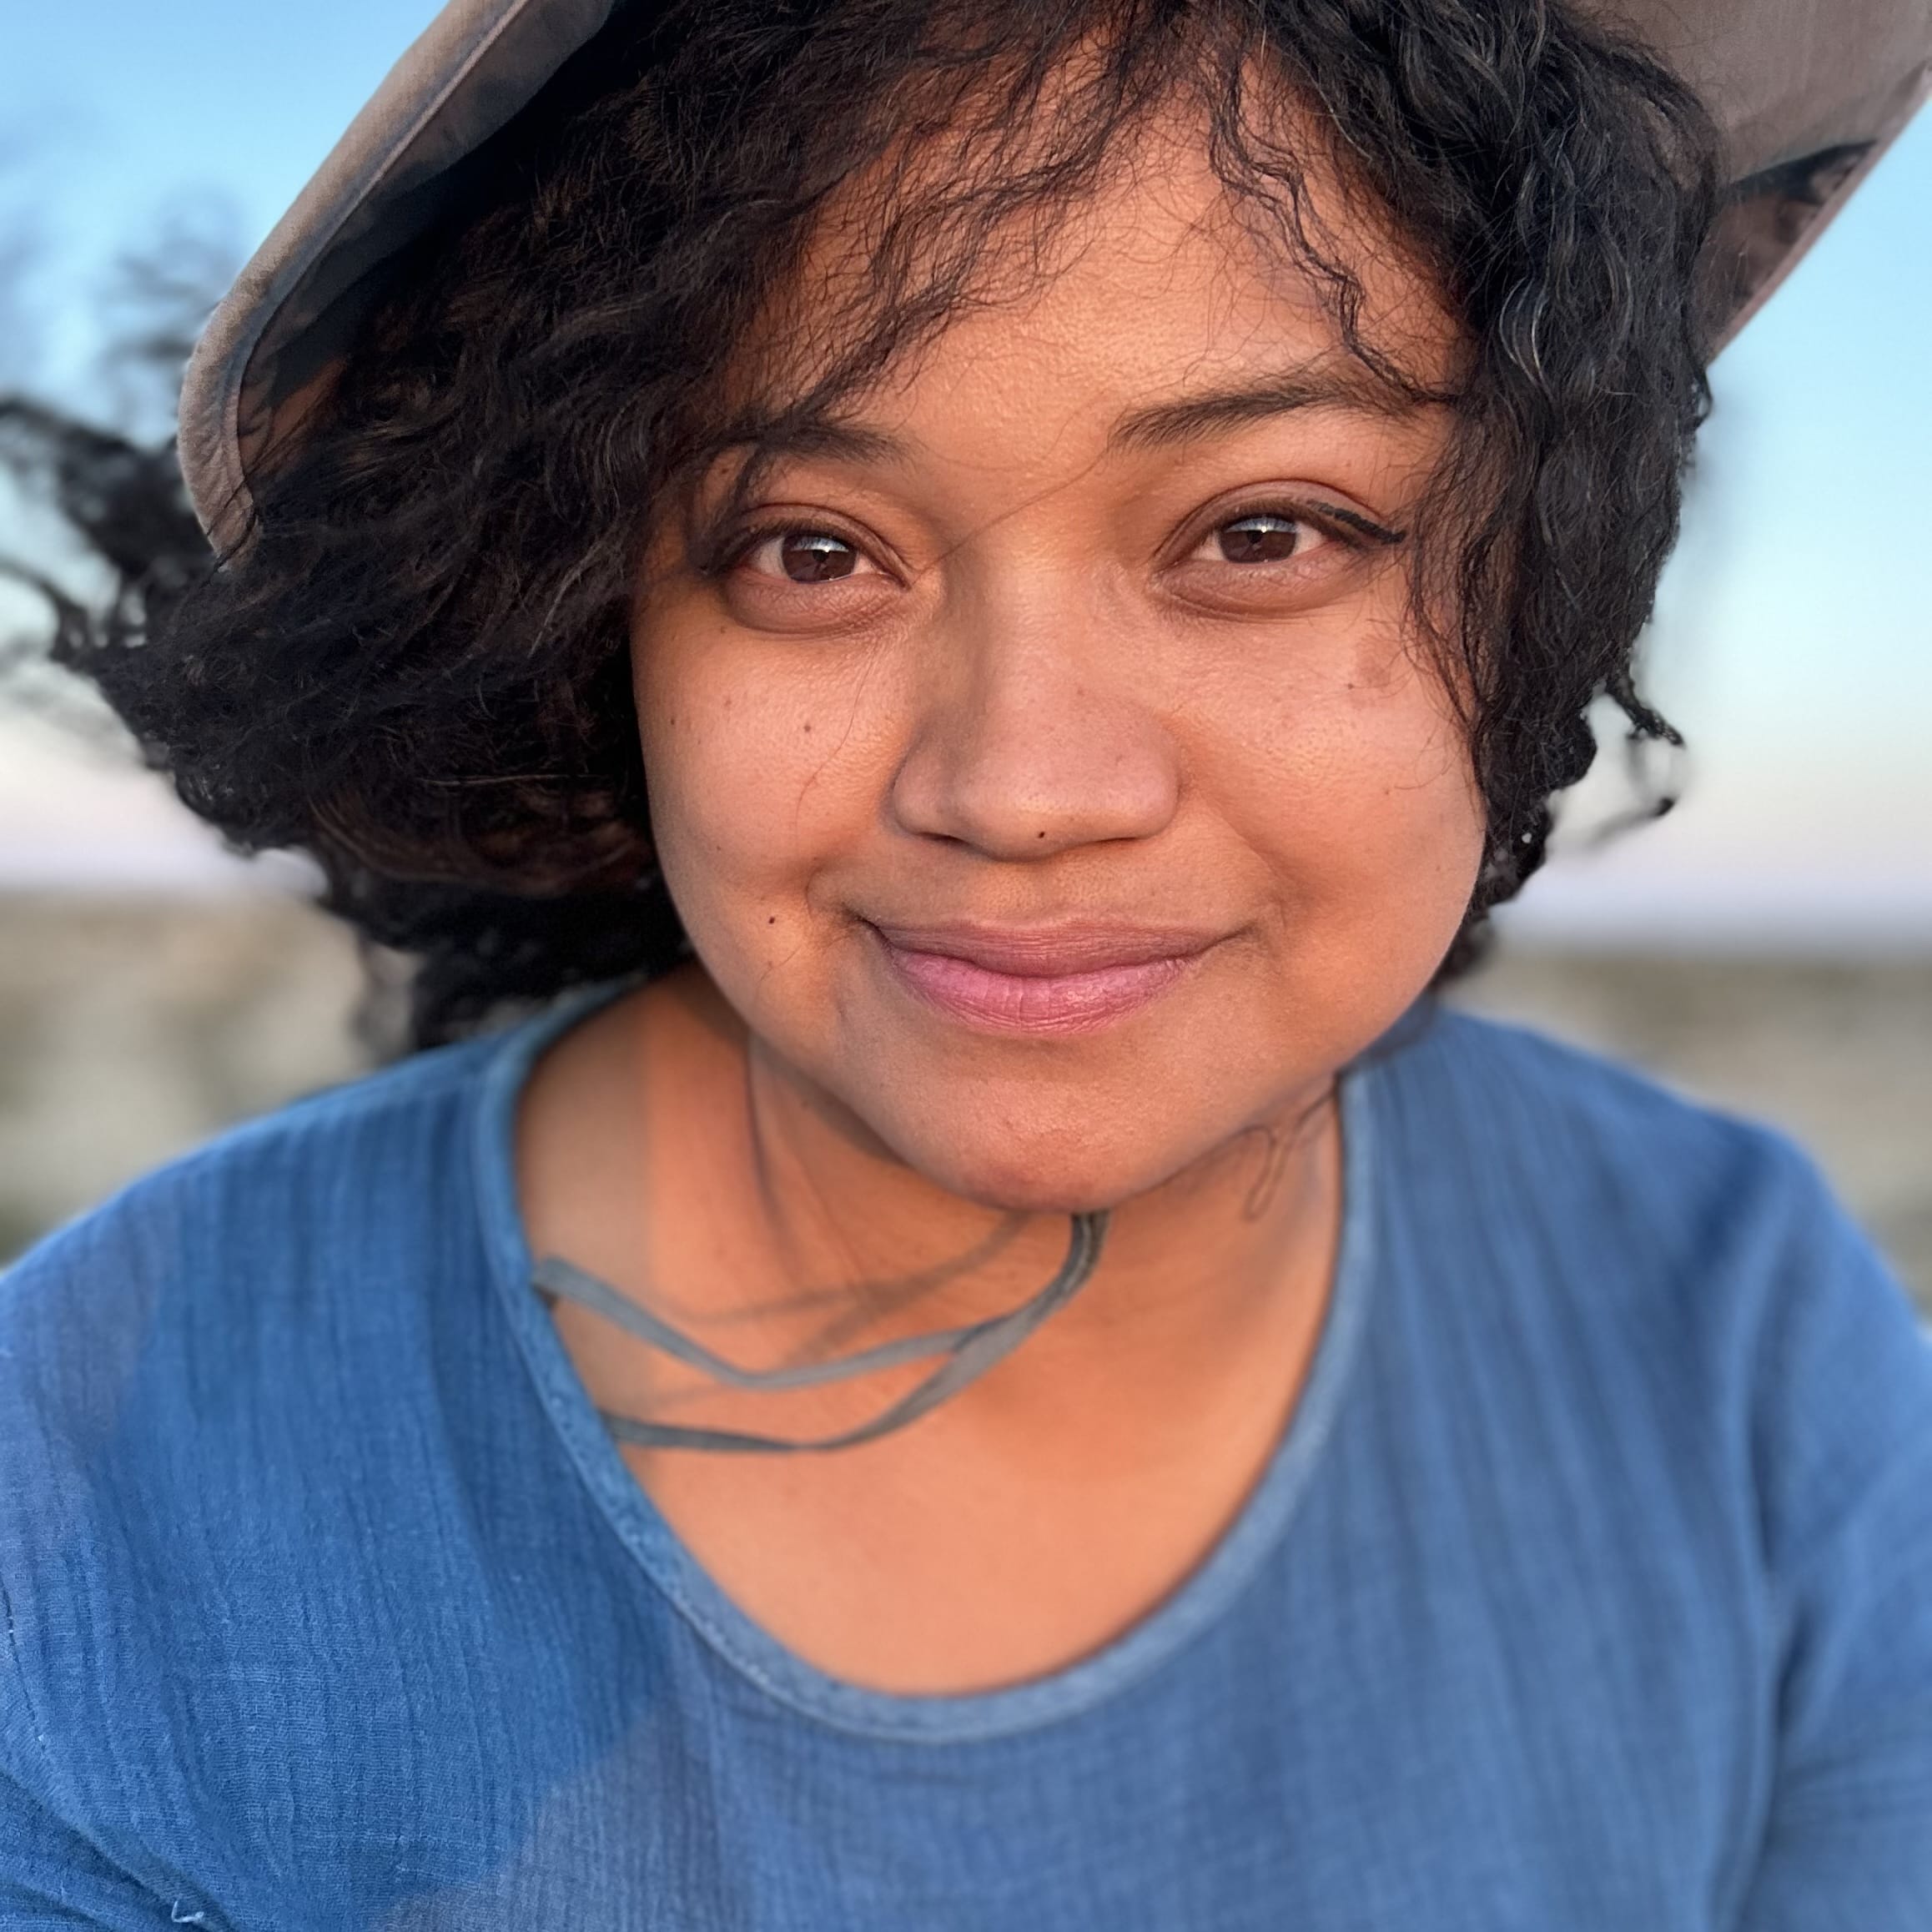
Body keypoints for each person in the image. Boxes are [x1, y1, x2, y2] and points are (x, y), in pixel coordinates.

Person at [3, 0, 1929, 1924]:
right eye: (814, 551)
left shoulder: (1745, 1352)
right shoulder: (87, 1495)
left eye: (1262, 531)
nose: (1020, 788)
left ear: (1540, 585)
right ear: (602, 626)